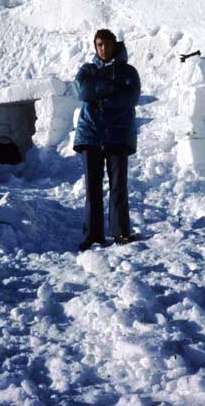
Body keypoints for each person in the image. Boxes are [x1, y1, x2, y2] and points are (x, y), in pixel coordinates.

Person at [73, 29, 141, 251]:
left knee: (117, 185)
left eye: (107, 44)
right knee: (92, 187)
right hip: (90, 134)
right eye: (99, 44)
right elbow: (84, 92)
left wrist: (99, 95)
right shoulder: (87, 69)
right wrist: (112, 88)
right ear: (95, 46)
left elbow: (129, 98)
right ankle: (93, 235)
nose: (103, 48)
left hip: (118, 134)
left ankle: (120, 231)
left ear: (115, 45)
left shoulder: (128, 71)